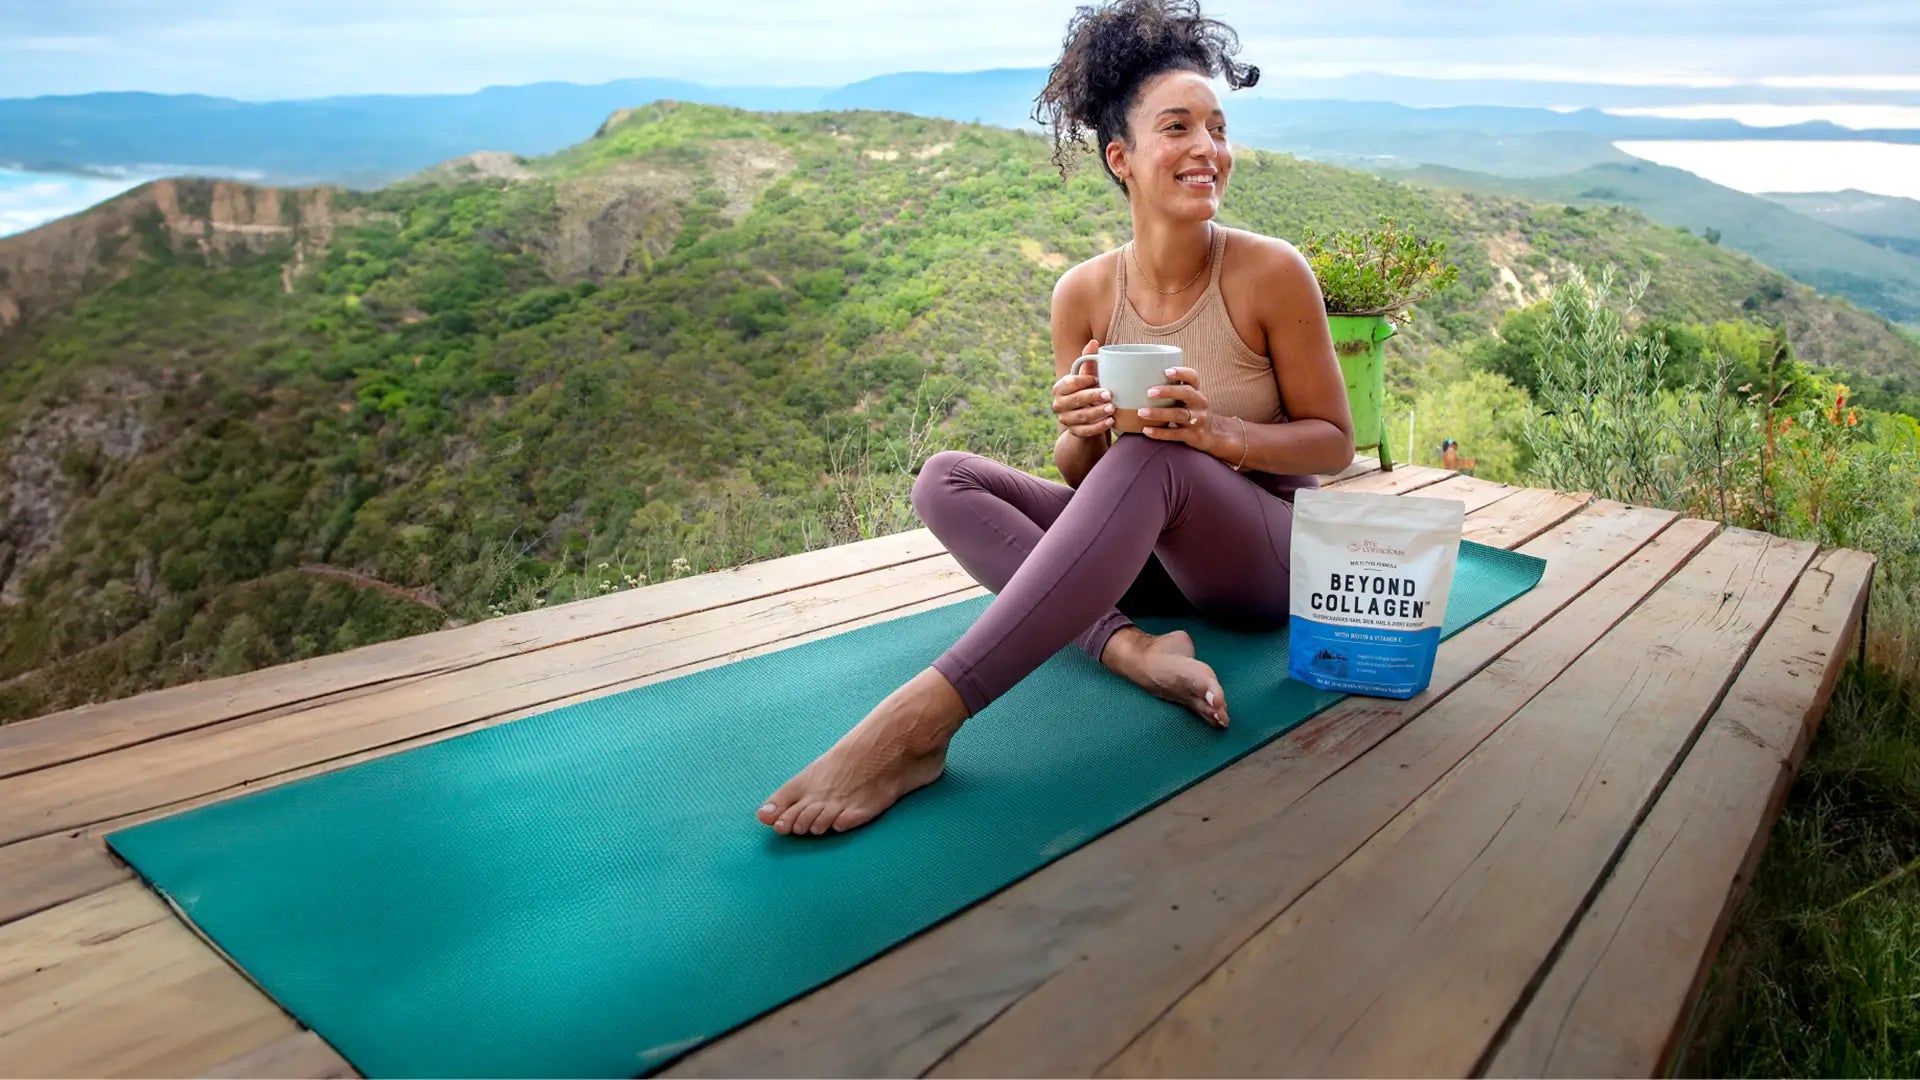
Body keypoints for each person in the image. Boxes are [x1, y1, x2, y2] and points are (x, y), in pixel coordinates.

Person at [756, 0, 1354, 836]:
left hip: (1267, 559)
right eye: (1176, 127)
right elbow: (1088, 478)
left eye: (1217, 128)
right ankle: (1129, 648)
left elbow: (1335, 442)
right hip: (1153, 555)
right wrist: (1079, 429)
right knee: (946, 479)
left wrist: (1218, 435)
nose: (1207, 149)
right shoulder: (1081, 294)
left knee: (1158, 459)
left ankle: (923, 719)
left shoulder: (1268, 272)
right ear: (1122, 157)